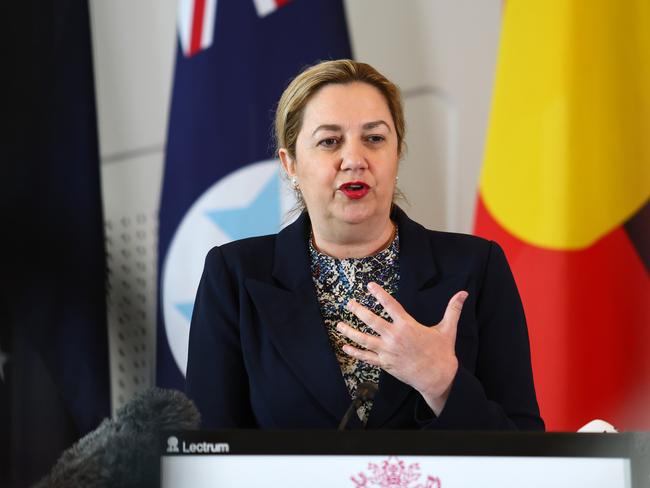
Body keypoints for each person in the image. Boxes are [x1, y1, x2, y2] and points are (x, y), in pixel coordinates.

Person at [185, 59, 544, 430]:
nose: (355, 160)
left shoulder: (476, 267)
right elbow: (208, 455)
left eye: (374, 138)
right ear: (290, 164)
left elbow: (524, 448)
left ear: (397, 153)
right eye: (329, 141)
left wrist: (443, 384)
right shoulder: (235, 276)